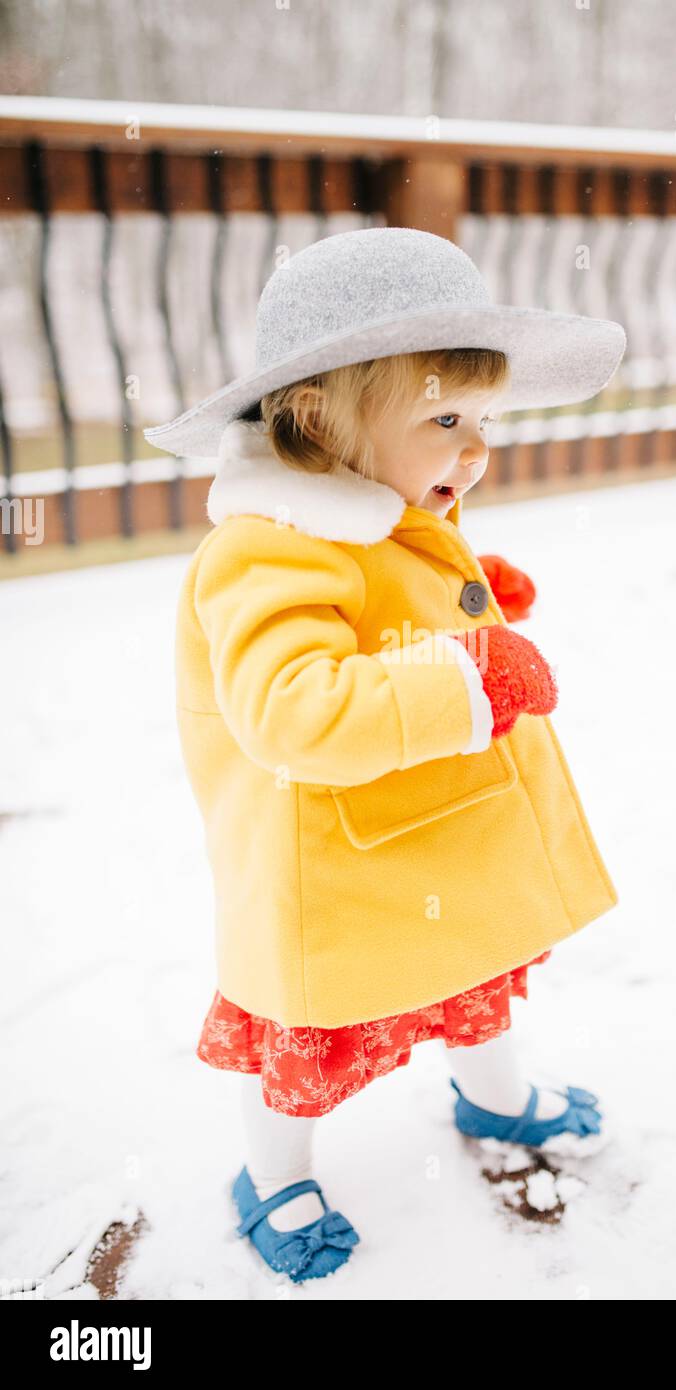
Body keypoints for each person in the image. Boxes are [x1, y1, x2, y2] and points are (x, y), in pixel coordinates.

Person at [143, 226, 626, 1284]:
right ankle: (272, 1174)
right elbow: (293, 707)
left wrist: (464, 600)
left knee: (477, 979)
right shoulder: (261, 547)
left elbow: (388, 597)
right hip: (336, 879)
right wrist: (466, 674)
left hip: (440, 853)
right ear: (320, 420)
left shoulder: (380, 508)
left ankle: (493, 1097)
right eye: (446, 420)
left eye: (486, 422)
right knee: (304, 1054)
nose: (475, 451)